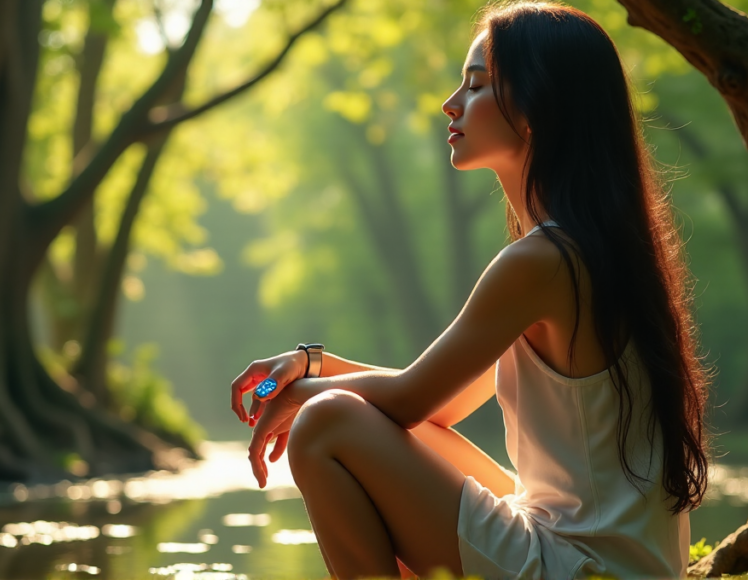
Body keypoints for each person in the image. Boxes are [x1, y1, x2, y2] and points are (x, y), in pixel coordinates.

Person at [229, 2, 710, 578]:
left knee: (323, 424)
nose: (450, 103)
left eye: (477, 86)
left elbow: (407, 400)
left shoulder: (544, 261)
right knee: (345, 417)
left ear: (538, 107)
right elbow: (435, 407)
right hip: (595, 556)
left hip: (583, 566)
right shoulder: (588, 247)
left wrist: (300, 393)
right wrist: (316, 365)